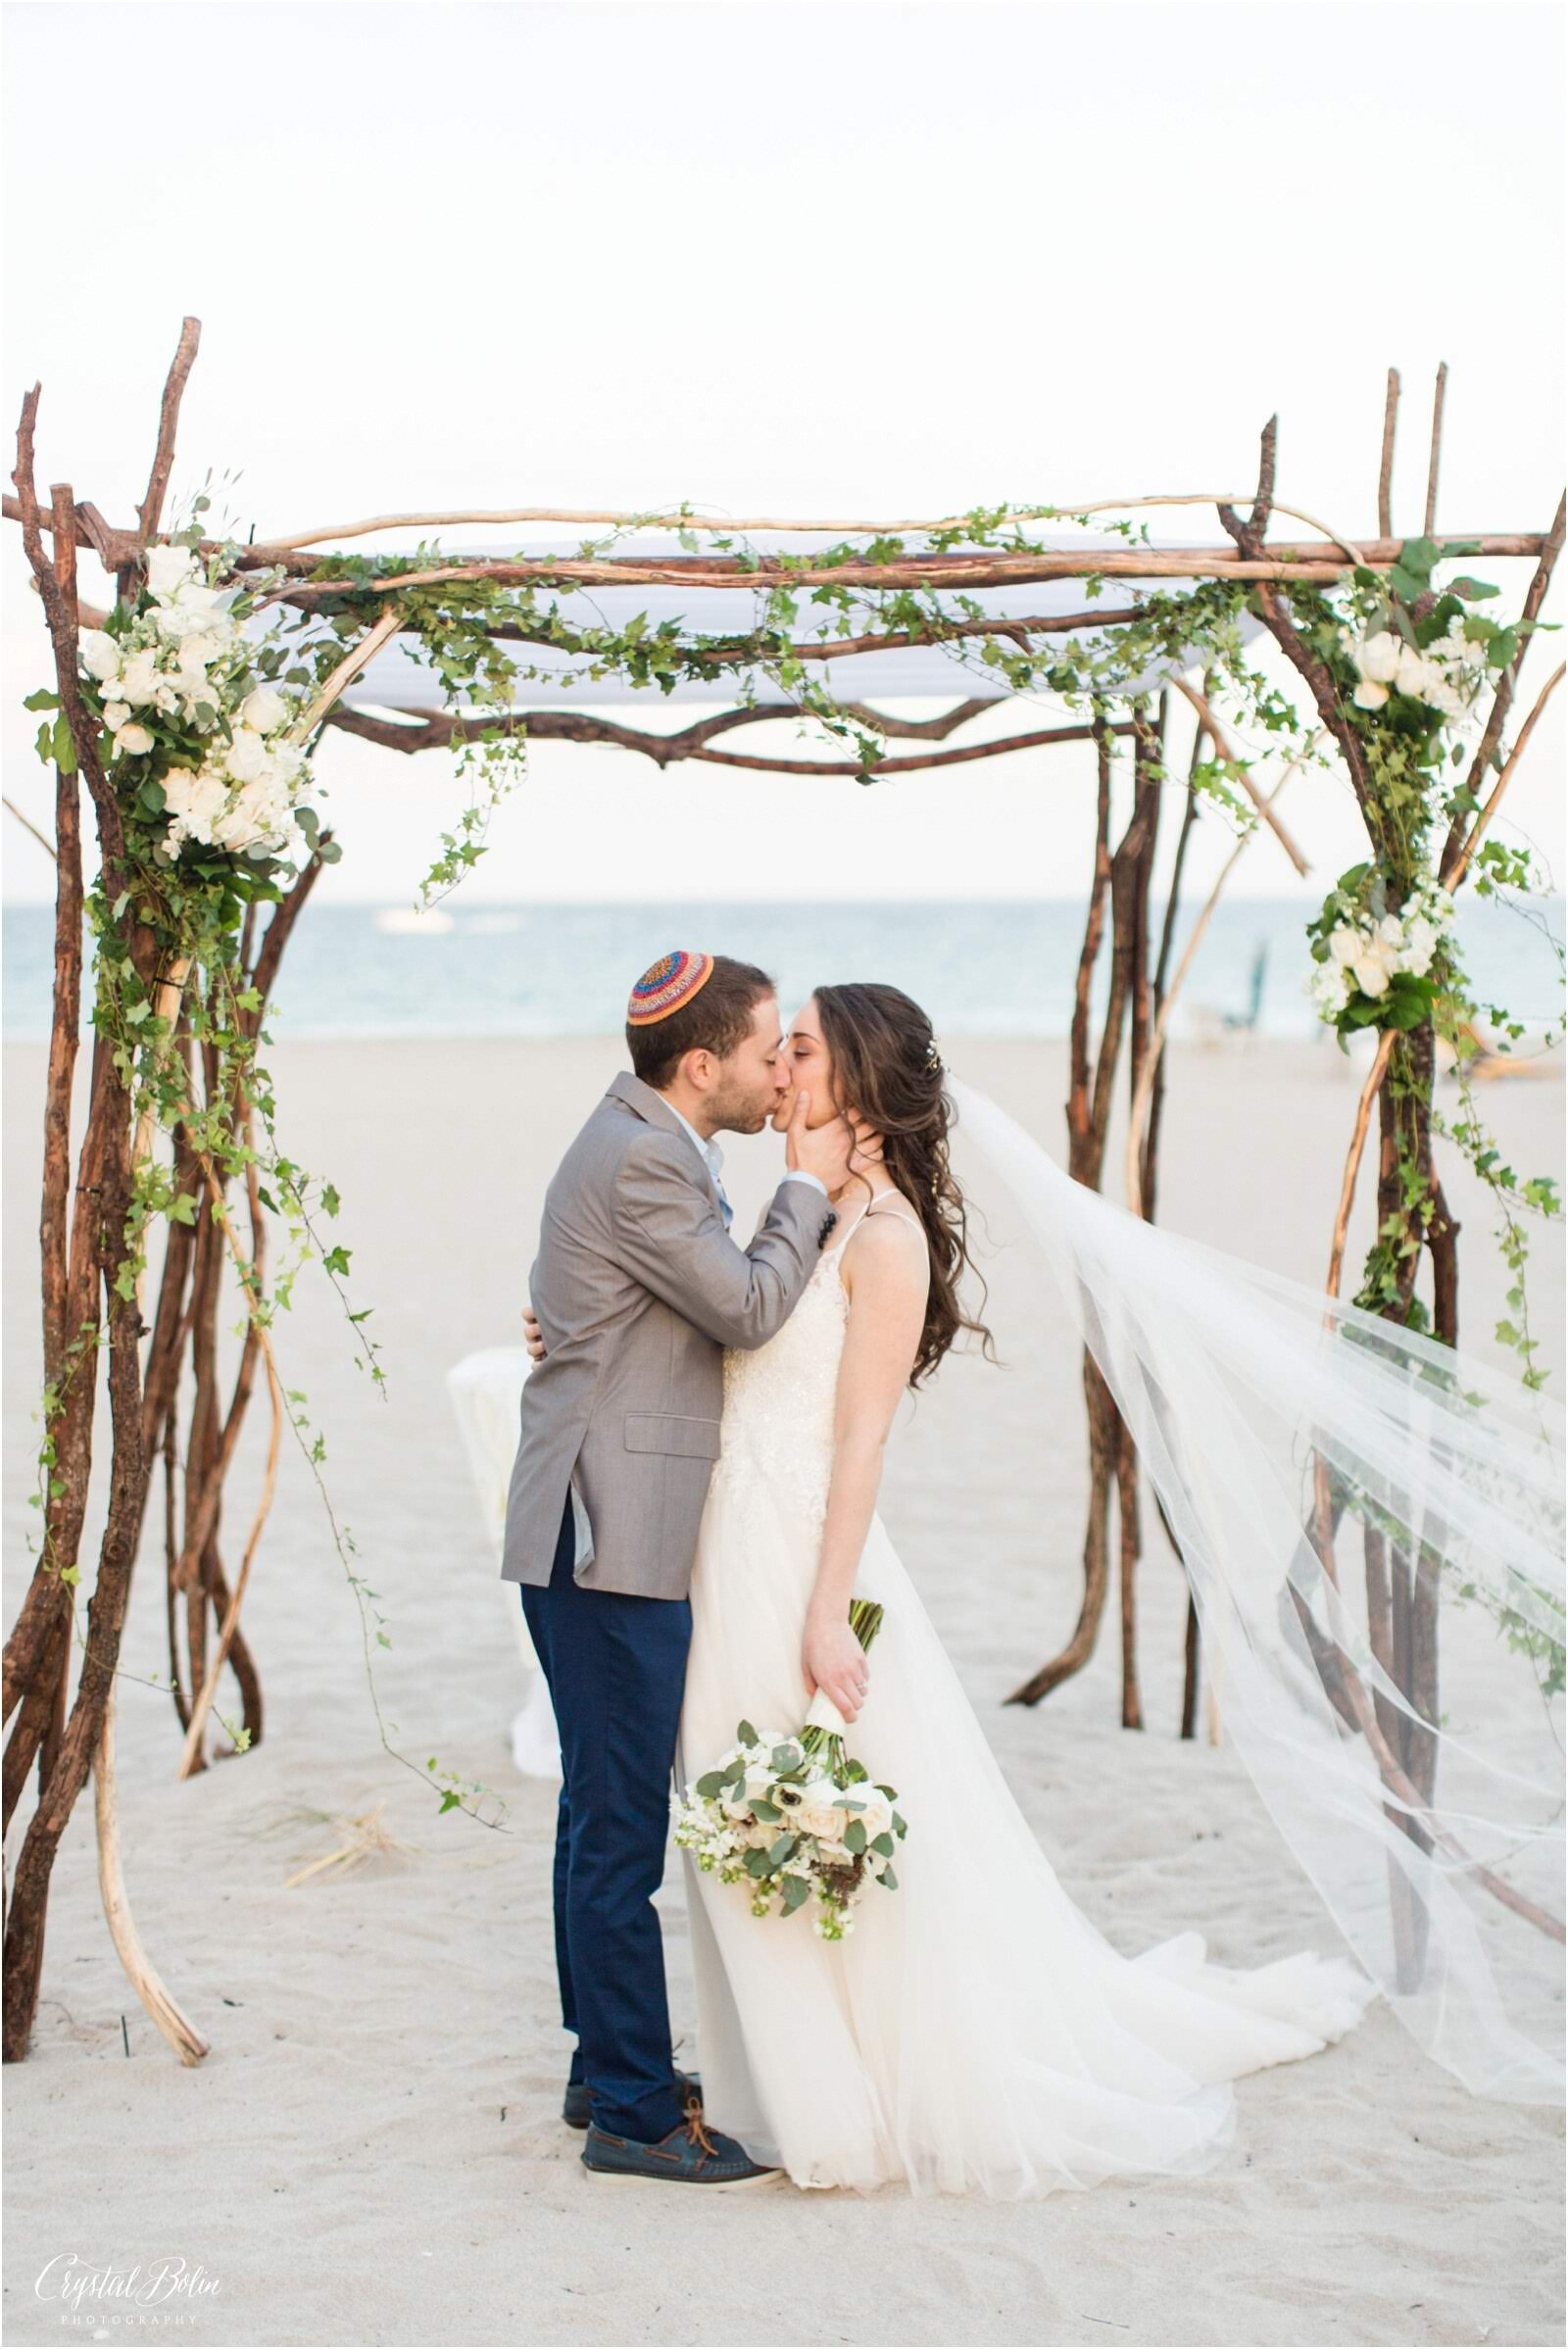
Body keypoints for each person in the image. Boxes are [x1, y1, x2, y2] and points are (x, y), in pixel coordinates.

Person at [524, 979, 1379, 2199]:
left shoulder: (880, 1236)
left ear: (855, 1083)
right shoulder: (802, 1207)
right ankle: (694, 2075)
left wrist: (827, 1614)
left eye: (800, 1051)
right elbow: (702, 1316)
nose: (781, 1072)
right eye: (776, 1050)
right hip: (710, 1545)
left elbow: (859, 1444)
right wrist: (571, 1326)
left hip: (793, 1561)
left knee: (770, 1810)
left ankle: (797, 2081)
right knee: (704, 1813)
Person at [500, 952, 876, 2189]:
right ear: (701, 1066)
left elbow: (620, 1306)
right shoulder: (648, 1155)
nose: (782, 1070)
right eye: (770, 1050)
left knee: (594, 1813)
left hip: (591, 1519)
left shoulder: (644, 1140)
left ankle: (601, 2065)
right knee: (618, 1830)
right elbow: (749, 1309)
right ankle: (634, 2115)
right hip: (610, 1530)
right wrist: (808, 1193)